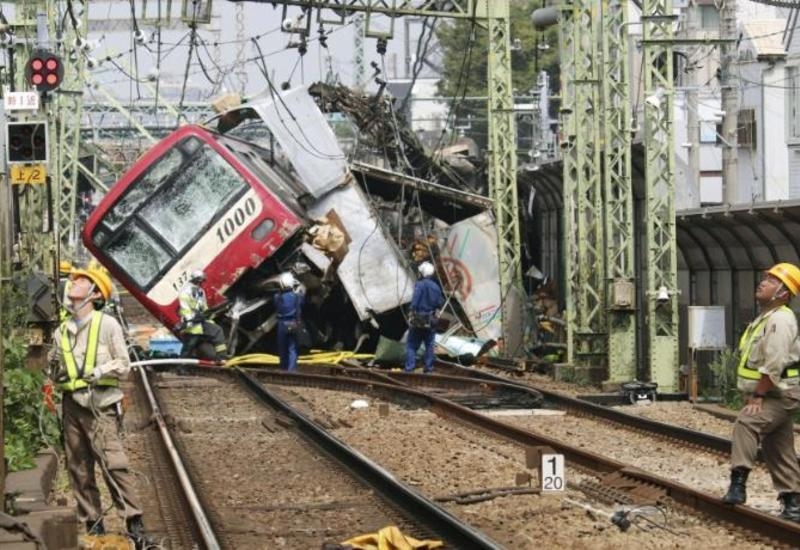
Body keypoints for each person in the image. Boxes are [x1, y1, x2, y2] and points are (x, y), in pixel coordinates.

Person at [48, 268, 153, 545]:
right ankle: (93, 525)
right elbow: (56, 371)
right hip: (72, 407)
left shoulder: (107, 325)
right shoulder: (62, 332)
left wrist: (99, 370)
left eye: (82, 281)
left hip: (101, 405)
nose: (74, 282)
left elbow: (123, 364)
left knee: (113, 464)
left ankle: (134, 523)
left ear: (95, 294)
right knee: (79, 468)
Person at [722, 262, 800, 523]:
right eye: (765, 277)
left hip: (778, 395)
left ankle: (738, 483)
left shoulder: (780, 319)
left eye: (771, 280)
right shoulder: (766, 318)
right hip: (773, 393)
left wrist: (758, 396)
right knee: (778, 446)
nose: (762, 282)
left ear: (783, 293)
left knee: (747, 422)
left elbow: (774, 363)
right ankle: (793, 504)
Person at [177, 269, 228, 360]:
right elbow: (185, 308)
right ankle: (181, 366)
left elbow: (204, 307)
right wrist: (191, 319)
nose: (201, 282)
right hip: (191, 325)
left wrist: (208, 316)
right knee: (190, 346)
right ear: (195, 279)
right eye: (199, 280)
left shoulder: (200, 291)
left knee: (217, 330)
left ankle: (222, 358)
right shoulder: (185, 291)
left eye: (202, 280)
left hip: (201, 322)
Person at [405, 261, 445, 374]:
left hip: (418, 319)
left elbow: (415, 301)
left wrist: (411, 311)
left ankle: (409, 368)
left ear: (422, 273)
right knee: (429, 345)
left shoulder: (420, 284)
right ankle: (428, 369)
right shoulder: (436, 287)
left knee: (412, 345)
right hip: (431, 320)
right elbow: (439, 303)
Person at [274, 271, 304, 371]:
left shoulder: (277, 297)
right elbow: (302, 301)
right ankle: (292, 370)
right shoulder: (297, 296)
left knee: (282, 348)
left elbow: (275, 304)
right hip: (293, 323)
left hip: (282, 324)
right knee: (292, 348)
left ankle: (283, 368)